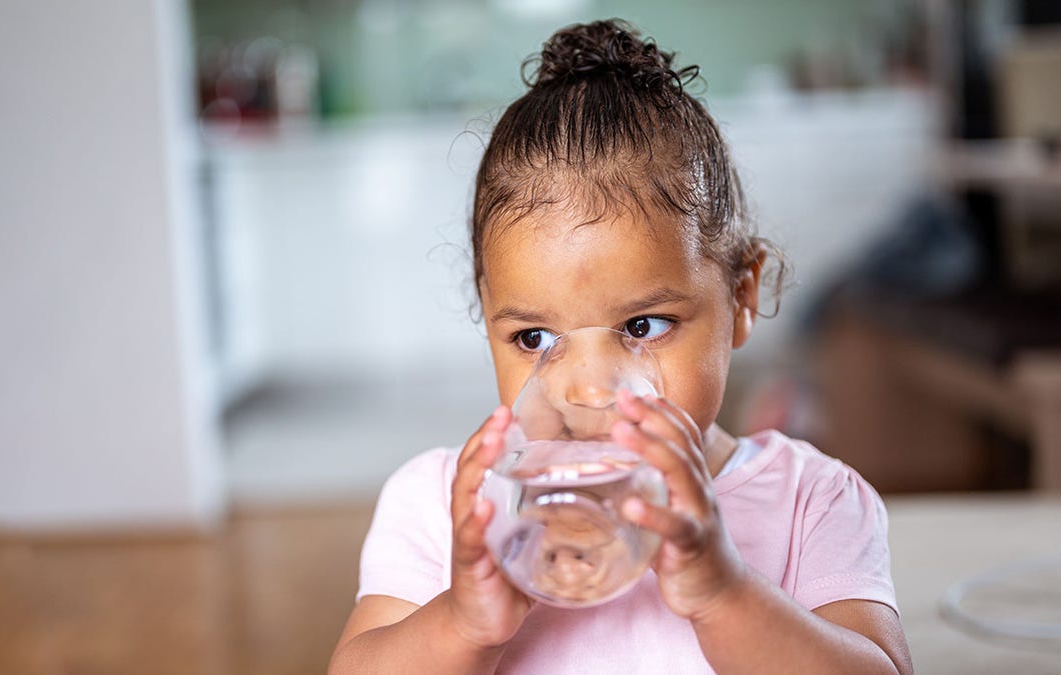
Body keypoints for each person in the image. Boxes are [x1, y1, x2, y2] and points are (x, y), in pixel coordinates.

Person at [330, 19, 912, 674]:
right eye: (534, 338)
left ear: (741, 296)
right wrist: (463, 620)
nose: (586, 388)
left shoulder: (813, 499)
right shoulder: (446, 507)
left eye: (642, 326)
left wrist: (724, 593)